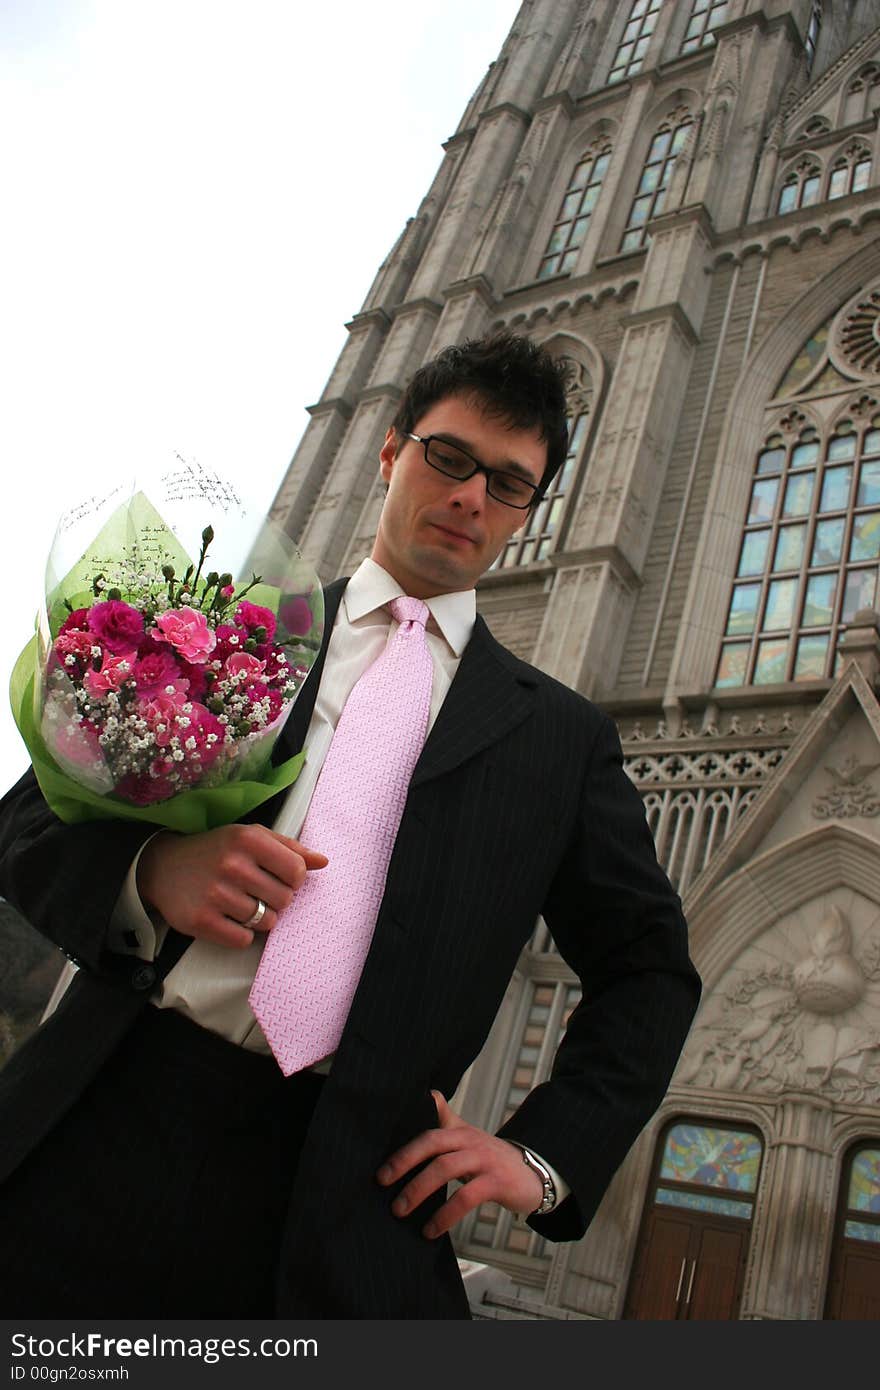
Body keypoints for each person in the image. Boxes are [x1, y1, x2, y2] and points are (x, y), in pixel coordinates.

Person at [0, 332, 700, 1319]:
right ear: (389, 452)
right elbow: (27, 821)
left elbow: (650, 970)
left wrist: (541, 1155)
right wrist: (150, 871)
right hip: (104, 1119)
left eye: (507, 483)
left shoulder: (560, 738)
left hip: (358, 1199)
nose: (469, 496)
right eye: (447, 457)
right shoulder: (223, 631)